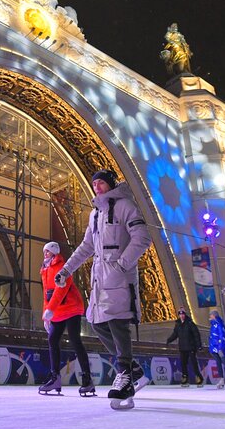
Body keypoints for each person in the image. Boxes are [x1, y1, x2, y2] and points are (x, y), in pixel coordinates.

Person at [54, 169, 153, 408]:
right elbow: (87, 246)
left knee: (118, 322)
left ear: (110, 185)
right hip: (100, 278)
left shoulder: (125, 206)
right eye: (94, 183)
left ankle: (125, 374)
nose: (97, 187)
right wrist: (66, 270)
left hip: (119, 275)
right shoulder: (95, 214)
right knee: (97, 323)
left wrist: (121, 265)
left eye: (101, 183)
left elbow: (142, 237)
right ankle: (134, 369)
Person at [38, 241, 95, 396]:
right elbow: (46, 295)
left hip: (71, 308)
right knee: (52, 340)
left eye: (48, 252)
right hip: (57, 311)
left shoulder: (64, 268)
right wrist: (46, 315)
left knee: (75, 339)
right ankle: (55, 377)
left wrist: (50, 310)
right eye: (44, 252)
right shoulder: (45, 270)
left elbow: (60, 291)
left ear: (55, 253)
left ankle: (87, 379)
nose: (45, 254)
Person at [166, 308, 204, 387]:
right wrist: (169, 340)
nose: (181, 316)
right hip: (182, 347)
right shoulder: (178, 324)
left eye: (183, 314)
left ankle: (198, 377)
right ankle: (185, 378)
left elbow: (196, 335)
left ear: (185, 314)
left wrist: (199, 345)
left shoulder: (190, 323)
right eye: (180, 314)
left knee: (194, 363)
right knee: (183, 363)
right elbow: (175, 334)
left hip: (191, 347)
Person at [208, 310, 225, 389]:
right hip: (214, 347)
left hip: (220, 347)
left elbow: (222, 335)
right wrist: (212, 347)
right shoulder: (213, 325)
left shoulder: (219, 324)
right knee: (218, 363)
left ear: (214, 316)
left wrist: (220, 347)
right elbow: (212, 336)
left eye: (211, 315)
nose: (210, 316)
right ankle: (221, 379)